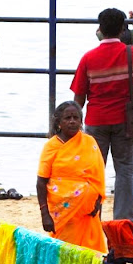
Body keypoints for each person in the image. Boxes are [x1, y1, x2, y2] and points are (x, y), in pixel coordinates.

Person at [71, 7, 133, 227]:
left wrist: (74, 125)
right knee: (124, 170)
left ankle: (91, 216)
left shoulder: (88, 57)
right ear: (123, 28)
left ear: (100, 29)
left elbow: (79, 96)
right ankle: (125, 220)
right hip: (125, 119)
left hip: (96, 120)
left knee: (94, 171)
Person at [36, 101, 106, 253]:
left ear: (81, 122)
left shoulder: (89, 142)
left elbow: (98, 174)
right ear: (59, 123)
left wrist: (98, 201)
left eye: (76, 118)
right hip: (62, 212)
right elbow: (41, 182)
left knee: (90, 255)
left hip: (88, 213)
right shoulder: (51, 146)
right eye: (67, 118)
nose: (72, 121)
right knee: (64, 253)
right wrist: (45, 214)